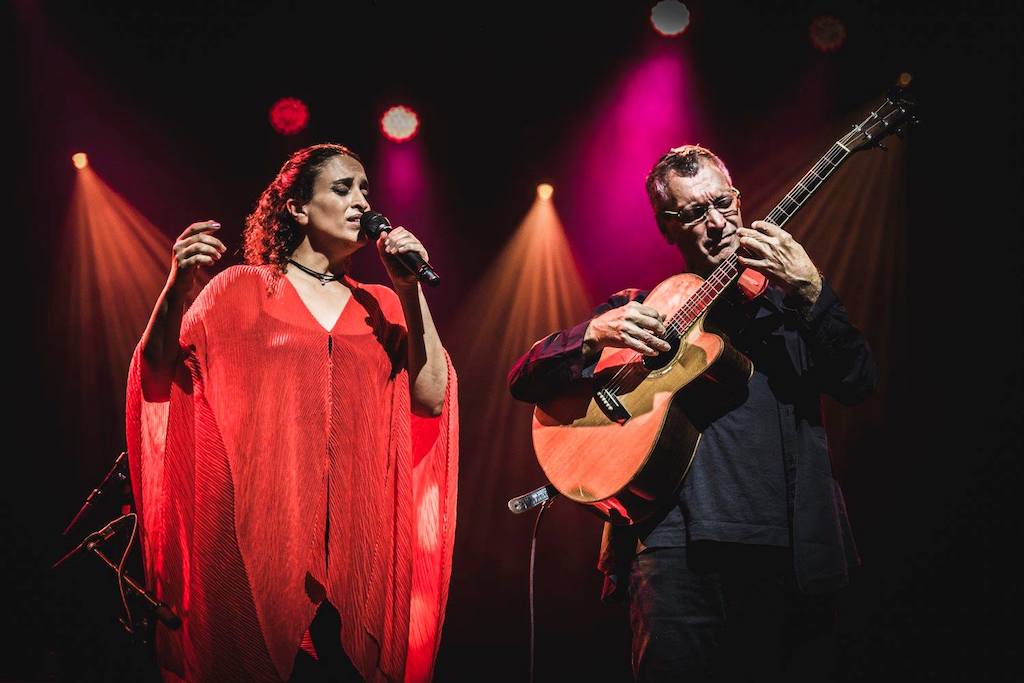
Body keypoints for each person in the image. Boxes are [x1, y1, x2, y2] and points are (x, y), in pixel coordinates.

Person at [507, 145, 877, 681]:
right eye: (693, 213)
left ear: (739, 199)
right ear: (667, 228)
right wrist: (590, 336)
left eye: (722, 203)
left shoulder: (792, 309)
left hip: (788, 550)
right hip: (671, 552)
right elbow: (524, 378)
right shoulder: (639, 309)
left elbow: (859, 382)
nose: (716, 222)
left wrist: (813, 292)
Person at [127, 143, 458, 682]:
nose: (361, 203)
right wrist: (175, 289)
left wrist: (408, 288)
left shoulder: (383, 304)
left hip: (358, 548)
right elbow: (162, 374)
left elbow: (431, 398)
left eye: (366, 191)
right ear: (298, 209)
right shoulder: (240, 289)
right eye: (342, 189)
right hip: (256, 542)